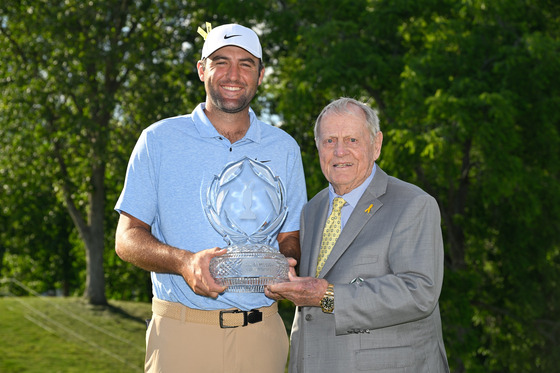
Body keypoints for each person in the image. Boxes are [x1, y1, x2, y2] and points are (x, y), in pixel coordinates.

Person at [114, 23, 307, 373]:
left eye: (246, 64)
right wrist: (184, 262)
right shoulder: (158, 140)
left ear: (261, 75)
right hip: (181, 332)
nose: (233, 74)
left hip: (261, 333)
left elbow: (289, 235)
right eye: (221, 61)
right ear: (202, 69)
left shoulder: (284, 148)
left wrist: (288, 265)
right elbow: (127, 239)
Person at [266, 97, 450, 372]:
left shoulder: (413, 204)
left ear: (376, 145)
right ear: (318, 147)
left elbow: (419, 292)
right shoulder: (312, 210)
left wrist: (327, 295)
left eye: (352, 140)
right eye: (329, 141)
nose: (340, 151)